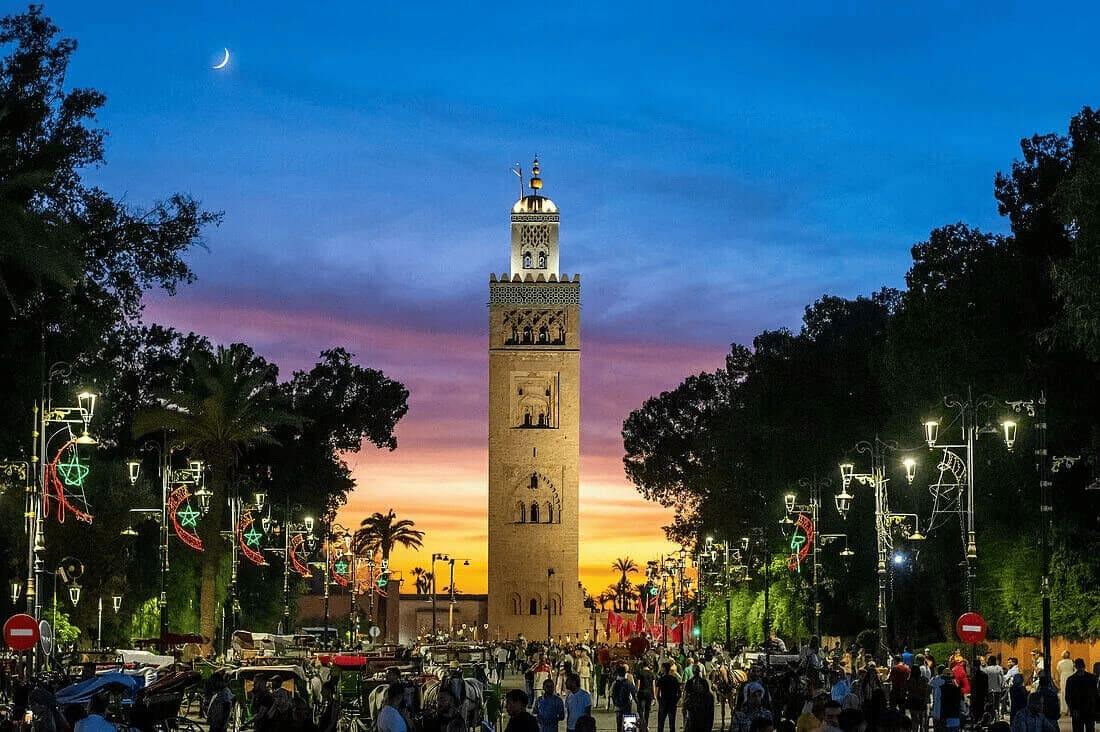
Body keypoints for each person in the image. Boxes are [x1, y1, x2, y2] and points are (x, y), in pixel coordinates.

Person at [1064, 659, 1098, 732]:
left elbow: (1068, 696)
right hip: (1089, 709)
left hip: (1078, 709)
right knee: (1090, 728)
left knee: (1078, 729)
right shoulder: (1091, 678)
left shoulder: (1071, 679)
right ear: (1084, 666)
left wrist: (1072, 709)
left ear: (1075, 667)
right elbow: (1095, 695)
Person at [611, 665, 639, 732]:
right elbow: (635, 695)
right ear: (625, 673)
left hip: (618, 707)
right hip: (628, 707)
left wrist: (615, 703)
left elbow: (612, 695)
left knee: (619, 725)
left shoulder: (615, 683)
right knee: (629, 728)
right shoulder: (628, 683)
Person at [655, 662, 682, 732]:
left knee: (661, 723)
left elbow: (657, 693)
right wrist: (676, 700)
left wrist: (659, 700)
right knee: (672, 724)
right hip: (672, 702)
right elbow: (679, 693)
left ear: (664, 669)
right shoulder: (674, 679)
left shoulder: (661, 679)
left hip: (663, 702)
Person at [906, 664, 930, 732]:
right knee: (922, 720)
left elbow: (907, 690)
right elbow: (926, 691)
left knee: (914, 720)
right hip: (922, 701)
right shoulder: (924, 679)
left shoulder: (909, 680)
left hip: (913, 701)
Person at [635, 660, 656, 731]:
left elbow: (638, 684)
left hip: (641, 692)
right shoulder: (652, 673)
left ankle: (642, 723)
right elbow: (653, 685)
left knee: (640, 709)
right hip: (649, 693)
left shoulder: (640, 673)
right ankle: (646, 724)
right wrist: (654, 696)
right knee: (647, 710)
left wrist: (636, 692)